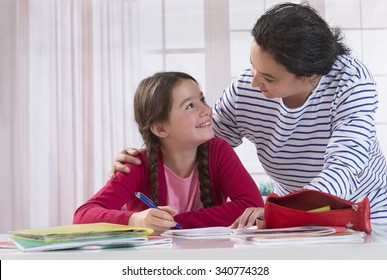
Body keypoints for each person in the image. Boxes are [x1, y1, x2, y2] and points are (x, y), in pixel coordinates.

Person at [110, 2, 387, 228]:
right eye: (252, 66)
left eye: (268, 77)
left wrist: (280, 212)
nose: (254, 82)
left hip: (366, 213)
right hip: (291, 217)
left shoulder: (350, 82)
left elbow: (344, 166)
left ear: (309, 76)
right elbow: (199, 141)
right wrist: (143, 159)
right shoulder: (248, 87)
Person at [73, 72, 264, 234]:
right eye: (190, 106)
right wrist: (135, 221)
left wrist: (175, 223)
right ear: (160, 129)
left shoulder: (218, 151)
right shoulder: (137, 164)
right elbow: (82, 216)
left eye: (202, 100)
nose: (206, 110)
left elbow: (252, 206)